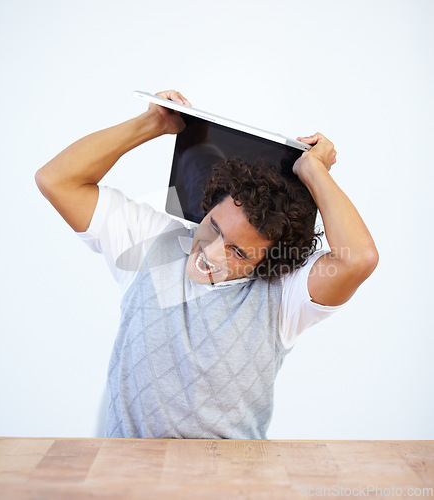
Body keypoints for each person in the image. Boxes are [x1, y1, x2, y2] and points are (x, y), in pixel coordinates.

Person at [35, 90, 379, 439]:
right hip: (127, 479)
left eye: (238, 252)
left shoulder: (284, 297)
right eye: (213, 227)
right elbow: (57, 180)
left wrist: (312, 169)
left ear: (269, 262)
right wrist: (151, 123)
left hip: (230, 483)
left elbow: (358, 258)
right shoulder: (151, 241)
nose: (211, 253)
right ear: (209, 205)